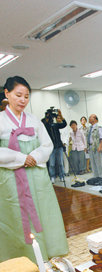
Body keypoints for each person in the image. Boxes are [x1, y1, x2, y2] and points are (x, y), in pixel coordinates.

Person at [0, 76, 68, 262]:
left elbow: (47, 145)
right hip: (11, 178)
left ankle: (48, 252)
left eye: (26, 96)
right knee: (15, 215)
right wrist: (22, 158)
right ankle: (20, 257)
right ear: (7, 94)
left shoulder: (34, 120)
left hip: (36, 176)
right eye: (18, 95)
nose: (23, 100)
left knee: (43, 212)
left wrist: (35, 157)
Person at [42, 108, 67, 184]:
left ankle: (62, 176)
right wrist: (47, 117)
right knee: (52, 164)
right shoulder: (46, 126)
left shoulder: (56, 125)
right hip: (51, 148)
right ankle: (52, 177)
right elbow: (42, 123)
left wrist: (60, 115)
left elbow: (64, 124)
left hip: (59, 146)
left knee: (60, 163)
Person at [88, 114, 102, 180]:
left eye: (91, 117)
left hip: (96, 146)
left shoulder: (98, 127)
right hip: (90, 146)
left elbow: (101, 138)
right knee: (93, 163)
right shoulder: (89, 128)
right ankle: (95, 177)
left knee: (99, 163)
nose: (89, 118)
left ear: (95, 119)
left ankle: (101, 177)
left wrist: (100, 147)